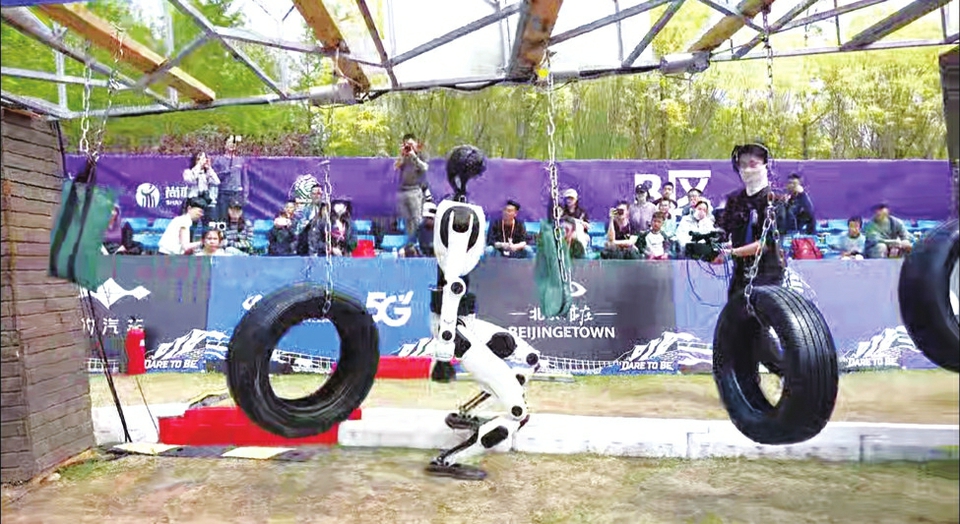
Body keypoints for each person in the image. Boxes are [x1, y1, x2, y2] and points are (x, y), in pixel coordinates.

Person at [424, 144, 540, 481]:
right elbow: (452, 281)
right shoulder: (460, 214)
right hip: (454, 326)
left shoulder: (452, 209)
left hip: (465, 321)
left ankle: (467, 413)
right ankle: (447, 461)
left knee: (528, 358)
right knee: (518, 411)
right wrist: (444, 350)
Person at [714, 143, 787, 374]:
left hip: (767, 273)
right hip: (740, 274)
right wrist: (716, 249)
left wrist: (732, 252)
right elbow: (725, 233)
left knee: (756, 329)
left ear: (765, 165)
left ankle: (787, 372)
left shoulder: (775, 201)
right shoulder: (735, 201)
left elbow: (765, 244)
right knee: (737, 328)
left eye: (753, 164)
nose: (747, 169)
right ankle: (747, 381)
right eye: (743, 164)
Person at [395, 133, 430, 250]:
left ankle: (420, 244)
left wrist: (413, 156)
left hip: (415, 190)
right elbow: (395, 167)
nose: (409, 147)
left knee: (417, 219)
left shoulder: (421, 155)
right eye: (407, 144)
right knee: (407, 220)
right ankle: (410, 245)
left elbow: (425, 168)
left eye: (411, 144)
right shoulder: (403, 155)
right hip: (402, 191)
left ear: (416, 144)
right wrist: (402, 155)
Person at [212, 135, 248, 222]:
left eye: (234, 142)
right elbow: (214, 177)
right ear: (225, 145)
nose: (232, 144)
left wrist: (245, 195)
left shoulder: (240, 160)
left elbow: (245, 179)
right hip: (223, 193)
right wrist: (225, 172)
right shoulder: (218, 160)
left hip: (236, 193)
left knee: (236, 219)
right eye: (230, 142)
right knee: (223, 218)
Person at [182, 151, 220, 215]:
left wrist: (209, 168)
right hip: (193, 200)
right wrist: (199, 165)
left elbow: (217, 182)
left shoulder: (207, 173)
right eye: (198, 159)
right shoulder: (188, 172)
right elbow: (191, 179)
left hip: (204, 200)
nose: (201, 162)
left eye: (203, 159)